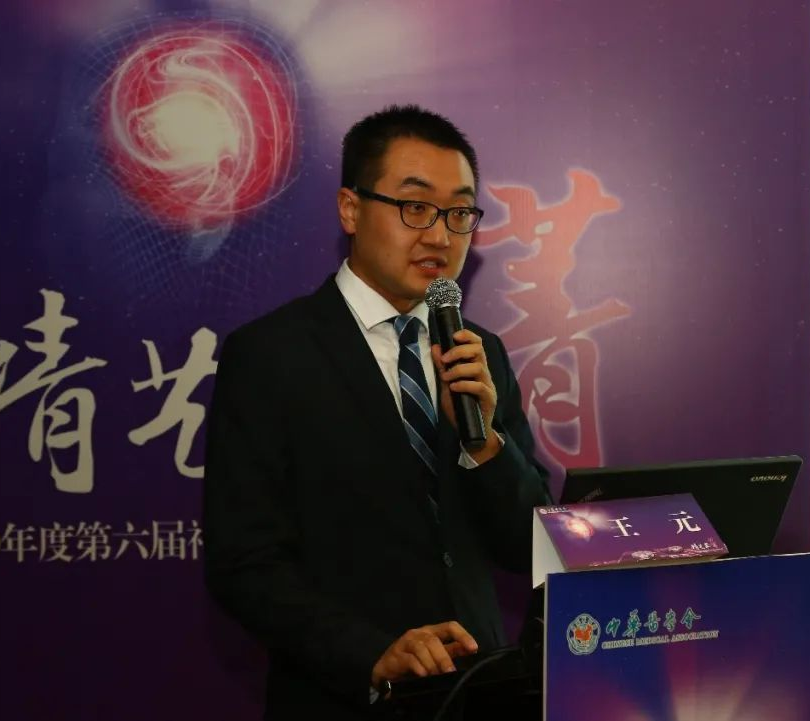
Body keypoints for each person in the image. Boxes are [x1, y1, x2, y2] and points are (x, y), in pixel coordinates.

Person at [203, 104, 551, 720]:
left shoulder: (479, 353)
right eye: (415, 207)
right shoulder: (271, 354)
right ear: (350, 209)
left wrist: (484, 445)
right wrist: (371, 654)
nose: (440, 236)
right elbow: (245, 565)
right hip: (343, 699)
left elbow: (531, 547)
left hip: (479, 696)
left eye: (460, 213)